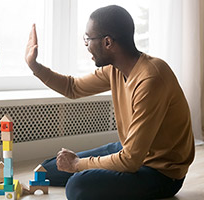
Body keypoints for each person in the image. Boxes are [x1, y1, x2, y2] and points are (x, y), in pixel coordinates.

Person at [25, 5, 195, 200]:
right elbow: (72, 88)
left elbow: (130, 160)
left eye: (88, 39)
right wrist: (34, 66)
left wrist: (77, 164)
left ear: (107, 42)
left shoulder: (151, 79)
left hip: (161, 172)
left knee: (77, 186)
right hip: (131, 151)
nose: (86, 45)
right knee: (47, 169)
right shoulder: (115, 69)